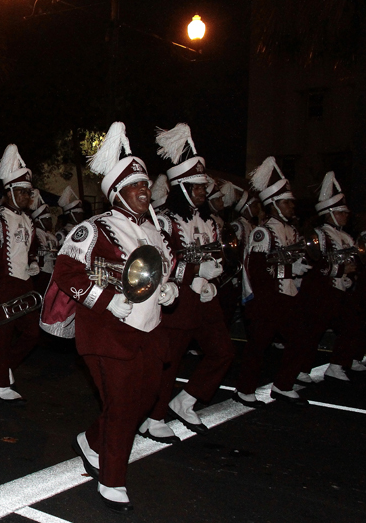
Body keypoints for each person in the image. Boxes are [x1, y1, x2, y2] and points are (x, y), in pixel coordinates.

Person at [40, 121, 176, 512]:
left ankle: (91, 441)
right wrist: (106, 300)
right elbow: (66, 273)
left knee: (142, 400)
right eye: (135, 186)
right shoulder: (94, 229)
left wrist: (171, 289)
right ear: (117, 192)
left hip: (149, 331)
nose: (143, 192)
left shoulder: (156, 231)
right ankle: (112, 480)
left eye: (145, 186)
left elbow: (168, 268)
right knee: (120, 406)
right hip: (106, 332)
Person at [139, 123, 234, 443]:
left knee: (223, 351)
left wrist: (212, 276)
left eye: (202, 187)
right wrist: (193, 276)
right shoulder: (164, 219)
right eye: (196, 187)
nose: (202, 192)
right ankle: (154, 417)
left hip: (206, 299)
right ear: (181, 188)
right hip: (177, 300)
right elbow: (159, 264)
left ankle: (187, 399)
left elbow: (214, 255)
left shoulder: (210, 221)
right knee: (170, 361)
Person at [234, 156, 311, 406]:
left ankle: (283, 385)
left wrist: (296, 270)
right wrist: (290, 271)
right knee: (257, 348)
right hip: (267, 301)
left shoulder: (292, 230)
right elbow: (257, 272)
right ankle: (244, 390)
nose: (292, 207)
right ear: (275, 204)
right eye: (287, 203)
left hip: (288, 298)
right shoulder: (263, 232)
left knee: (300, 341)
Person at [0, 144, 40, 403]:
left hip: (25, 283)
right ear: (9, 192)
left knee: (32, 333)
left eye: (28, 192)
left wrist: (34, 263)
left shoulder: (28, 220)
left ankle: (4, 369)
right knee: (2, 337)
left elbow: (30, 249)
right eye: (22, 192)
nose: (26, 196)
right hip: (3, 285)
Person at [291, 172, 363, 383]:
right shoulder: (318, 235)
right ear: (329, 213)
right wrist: (340, 270)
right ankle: (301, 369)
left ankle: (338, 363)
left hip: (341, 290)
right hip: (320, 291)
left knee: (352, 324)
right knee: (313, 331)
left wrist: (351, 272)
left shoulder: (347, 236)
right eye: (340, 212)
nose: (345, 216)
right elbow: (314, 264)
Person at [30, 189, 58, 293]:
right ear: (39, 220)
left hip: (51, 273)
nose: (50, 222)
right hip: (41, 273)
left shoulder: (52, 236)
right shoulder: (35, 234)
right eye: (47, 219)